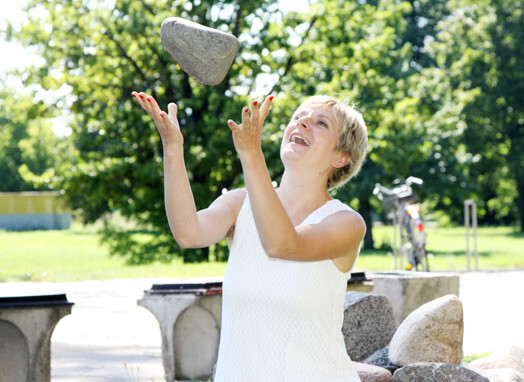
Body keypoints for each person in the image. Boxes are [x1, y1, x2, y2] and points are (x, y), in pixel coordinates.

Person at [132, 90, 368, 381]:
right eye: (298, 117)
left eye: (321, 123)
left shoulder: (346, 223)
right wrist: (172, 147)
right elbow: (188, 233)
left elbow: (282, 244)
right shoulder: (238, 204)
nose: (302, 123)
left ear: (341, 158)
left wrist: (250, 153)